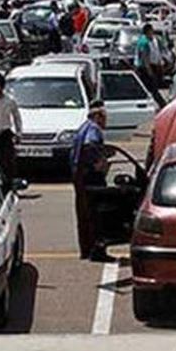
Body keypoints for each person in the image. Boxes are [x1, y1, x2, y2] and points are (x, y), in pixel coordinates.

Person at [70, 102, 112, 262]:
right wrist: (98, 163)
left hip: (79, 176)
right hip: (90, 177)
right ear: (97, 116)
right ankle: (97, 250)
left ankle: (86, 249)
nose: (106, 121)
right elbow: (90, 146)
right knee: (96, 213)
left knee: (84, 214)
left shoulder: (83, 127)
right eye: (104, 117)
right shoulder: (93, 129)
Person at [134, 23, 166, 108]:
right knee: (152, 88)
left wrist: (160, 64)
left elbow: (157, 53)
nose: (152, 32)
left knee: (150, 88)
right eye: (151, 31)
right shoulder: (144, 42)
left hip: (153, 66)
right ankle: (163, 105)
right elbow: (145, 58)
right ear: (148, 32)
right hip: (144, 68)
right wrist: (149, 71)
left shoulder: (153, 40)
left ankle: (160, 104)